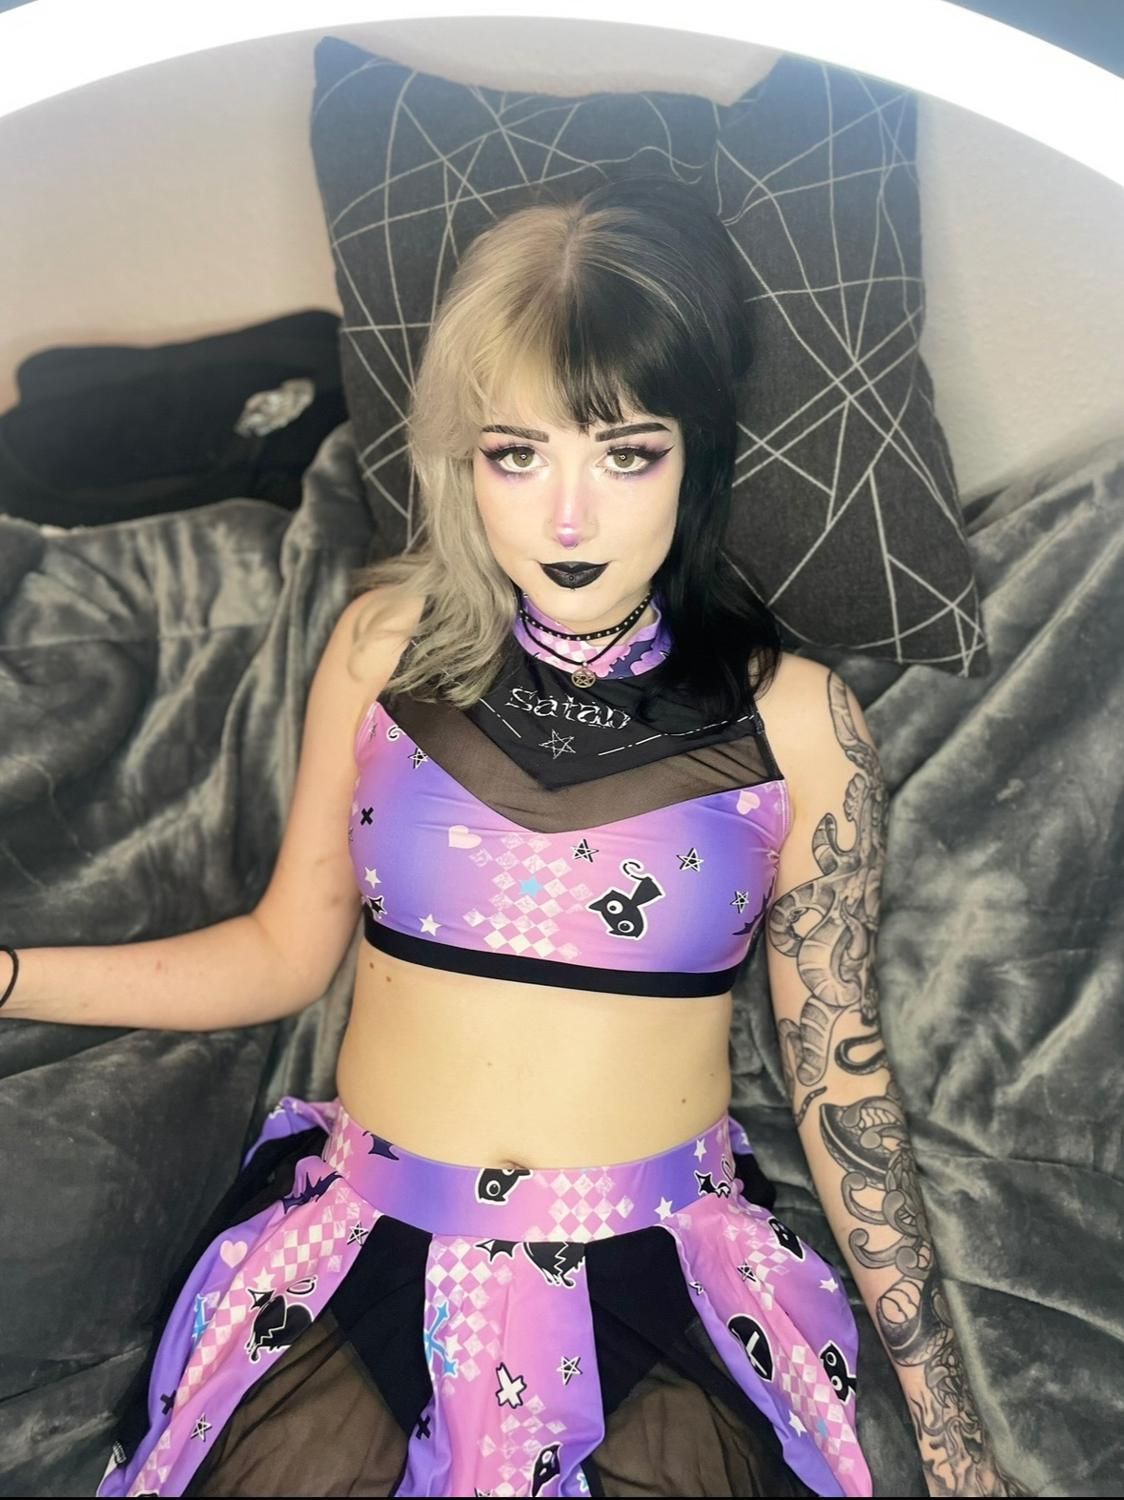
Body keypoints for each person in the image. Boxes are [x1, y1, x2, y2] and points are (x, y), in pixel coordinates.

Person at [0, 175, 1018, 1498]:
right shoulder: (384, 651)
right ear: (461, 458)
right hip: (363, 1250)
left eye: (626, 452)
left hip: (653, 1271)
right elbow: (279, 954)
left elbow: (841, 1073)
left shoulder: (800, 723)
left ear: (698, 455)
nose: (568, 519)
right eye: (516, 453)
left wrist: (952, 1439)